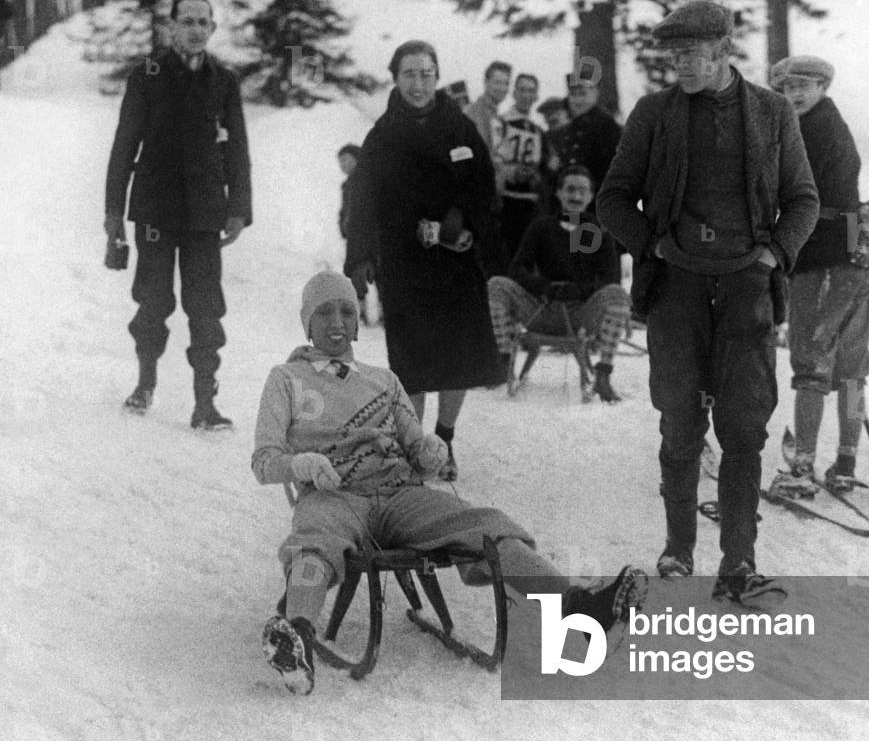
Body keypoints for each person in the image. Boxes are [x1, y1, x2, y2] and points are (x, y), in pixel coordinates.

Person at [254, 271, 649, 695]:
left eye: (347, 312)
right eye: (324, 312)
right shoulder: (287, 379)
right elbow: (264, 461)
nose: (337, 322)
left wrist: (429, 451)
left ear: (356, 323)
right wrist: (302, 465)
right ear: (307, 323)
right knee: (315, 541)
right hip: (332, 495)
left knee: (487, 525)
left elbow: (414, 444)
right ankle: (297, 636)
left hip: (398, 494)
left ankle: (580, 609)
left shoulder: (383, 381)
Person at [597, 1, 819, 605]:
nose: (681, 67)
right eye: (674, 57)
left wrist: (773, 254)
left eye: (692, 55)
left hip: (748, 290)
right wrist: (653, 248)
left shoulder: (772, 113)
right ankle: (678, 548)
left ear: (723, 51)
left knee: (744, 426)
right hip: (678, 292)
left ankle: (738, 562)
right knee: (680, 421)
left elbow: (803, 200)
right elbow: (612, 199)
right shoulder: (654, 114)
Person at [343, 41, 506, 482]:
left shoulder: (460, 127)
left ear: (437, 76)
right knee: (412, 361)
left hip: (455, 259)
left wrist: (460, 221)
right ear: (396, 78)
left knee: (458, 356)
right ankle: (417, 447)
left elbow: (482, 183)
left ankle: (444, 439)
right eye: (410, 74)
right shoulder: (382, 136)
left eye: (426, 74)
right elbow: (362, 201)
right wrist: (359, 259)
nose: (418, 84)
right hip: (405, 263)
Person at [105, 0, 252, 429]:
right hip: (155, 209)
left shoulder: (223, 81)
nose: (195, 29)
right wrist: (114, 212)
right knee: (152, 301)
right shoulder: (146, 75)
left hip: (205, 213)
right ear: (171, 27)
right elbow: (124, 144)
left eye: (203, 22)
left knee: (205, 307)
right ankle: (145, 382)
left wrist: (239, 208)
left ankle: (205, 403)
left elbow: (237, 149)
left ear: (213, 29)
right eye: (186, 21)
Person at [768, 55, 869, 492]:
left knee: (811, 362)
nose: (795, 93)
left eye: (805, 85)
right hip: (851, 260)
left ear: (823, 87)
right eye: (789, 87)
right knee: (851, 370)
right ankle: (845, 462)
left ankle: (803, 467)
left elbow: (793, 190)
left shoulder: (811, 129)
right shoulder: (830, 124)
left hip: (820, 258)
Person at [488, 165, 629, 402]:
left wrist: (581, 290)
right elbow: (518, 268)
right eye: (570, 189)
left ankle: (603, 375)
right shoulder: (542, 227)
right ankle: (504, 362)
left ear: (591, 196)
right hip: (542, 310)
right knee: (497, 285)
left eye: (582, 191)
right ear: (559, 193)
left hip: (581, 315)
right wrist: (543, 286)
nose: (576, 196)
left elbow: (609, 278)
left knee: (617, 293)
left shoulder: (597, 231)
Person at [496, 73, 548, 268]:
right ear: (514, 93)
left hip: (529, 202)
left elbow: (542, 165)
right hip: (505, 200)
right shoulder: (501, 122)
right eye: (522, 90)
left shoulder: (537, 130)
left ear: (536, 96)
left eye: (531, 91)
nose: (526, 95)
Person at [337, 143, 371, 324]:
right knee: (355, 270)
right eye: (340, 161)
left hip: (369, 236)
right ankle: (361, 311)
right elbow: (345, 210)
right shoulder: (347, 185)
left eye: (346, 159)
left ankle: (384, 313)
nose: (343, 165)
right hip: (354, 237)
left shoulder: (367, 180)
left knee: (376, 272)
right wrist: (343, 226)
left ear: (357, 159)